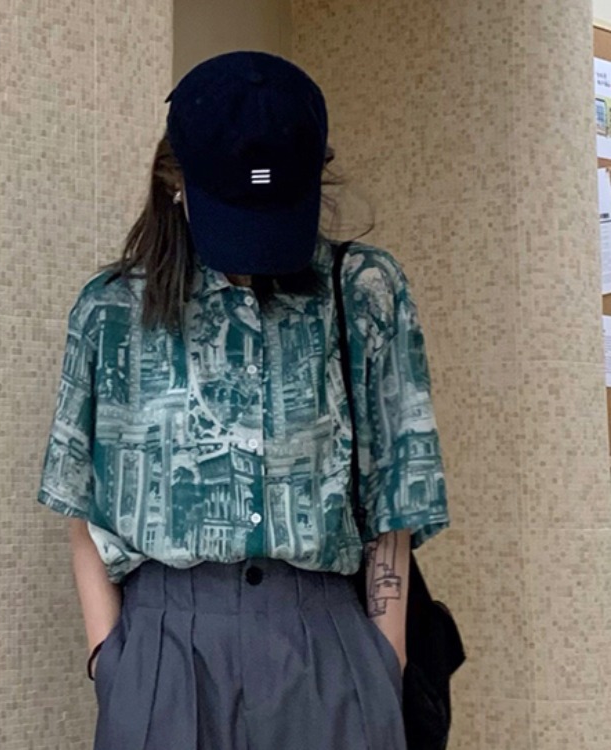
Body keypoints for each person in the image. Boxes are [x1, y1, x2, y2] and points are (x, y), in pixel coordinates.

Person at [36, 50, 450, 750]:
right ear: (175, 181)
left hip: (327, 644)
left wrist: (386, 659)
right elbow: (80, 500)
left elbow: (396, 495)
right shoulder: (111, 311)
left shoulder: (364, 291)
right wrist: (111, 662)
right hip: (165, 651)